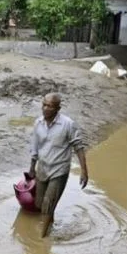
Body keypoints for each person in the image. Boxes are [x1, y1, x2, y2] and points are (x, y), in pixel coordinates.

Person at [29, 93, 89, 238]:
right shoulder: (38, 123)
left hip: (59, 170)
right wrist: (32, 167)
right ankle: (51, 223)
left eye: (50, 106)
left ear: (58, 108)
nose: (45, 108)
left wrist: (84, 171)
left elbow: (78, 147)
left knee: (48, 205)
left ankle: (41, 239)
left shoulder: (68, 124)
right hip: (42, 168)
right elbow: (35, 147)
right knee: (39, 204)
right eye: (44, 104)